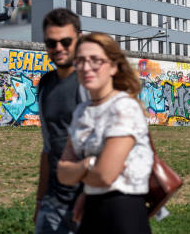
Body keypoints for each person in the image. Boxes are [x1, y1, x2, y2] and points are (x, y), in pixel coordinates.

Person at [57, 32, 153, 234]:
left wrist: (79, 170)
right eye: (80, 60)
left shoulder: (124, 107)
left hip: (122, 213)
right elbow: (62, 173)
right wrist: (89, 164)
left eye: (95, 60)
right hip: (91, 210)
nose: (86, 67)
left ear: (113, 66)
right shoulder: (81, 112)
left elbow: (105, 176)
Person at [35, 8, 83, 234]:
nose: (59, 49)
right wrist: (40, 201)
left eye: (66, 41)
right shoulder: (45, 85)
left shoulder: (90, 83)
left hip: (88, 202)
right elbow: (47, 148)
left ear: (79, 39)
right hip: (53, 202)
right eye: (51, 43)